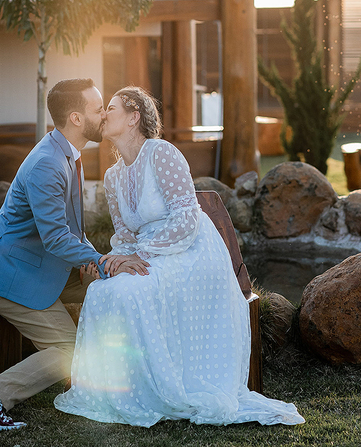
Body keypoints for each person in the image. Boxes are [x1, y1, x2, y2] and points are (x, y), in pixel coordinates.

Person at [54, 86, 305, 428]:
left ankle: (165, 387)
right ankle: (126, 390)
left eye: (111, 108)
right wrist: (113, 261)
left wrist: (141, 254)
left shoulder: (161, 153)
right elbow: (125, 236)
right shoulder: (113, 177)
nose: (103, 114)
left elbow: (187, 218)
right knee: (102, 290)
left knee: (134, 290)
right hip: (148, 253)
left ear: (134, 117)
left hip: (191, 251)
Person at [0, 78, 151, 431]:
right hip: (11, 277)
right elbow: (56, 238)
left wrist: (99, 265)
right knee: (69, 351)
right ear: (76, 118)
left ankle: (122, 377)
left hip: (46, 268)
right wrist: (102, 261)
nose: (104, 115)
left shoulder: (67, 152)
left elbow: (72, 230)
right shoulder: (48, 163)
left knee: (117, 285)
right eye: (98, 109)